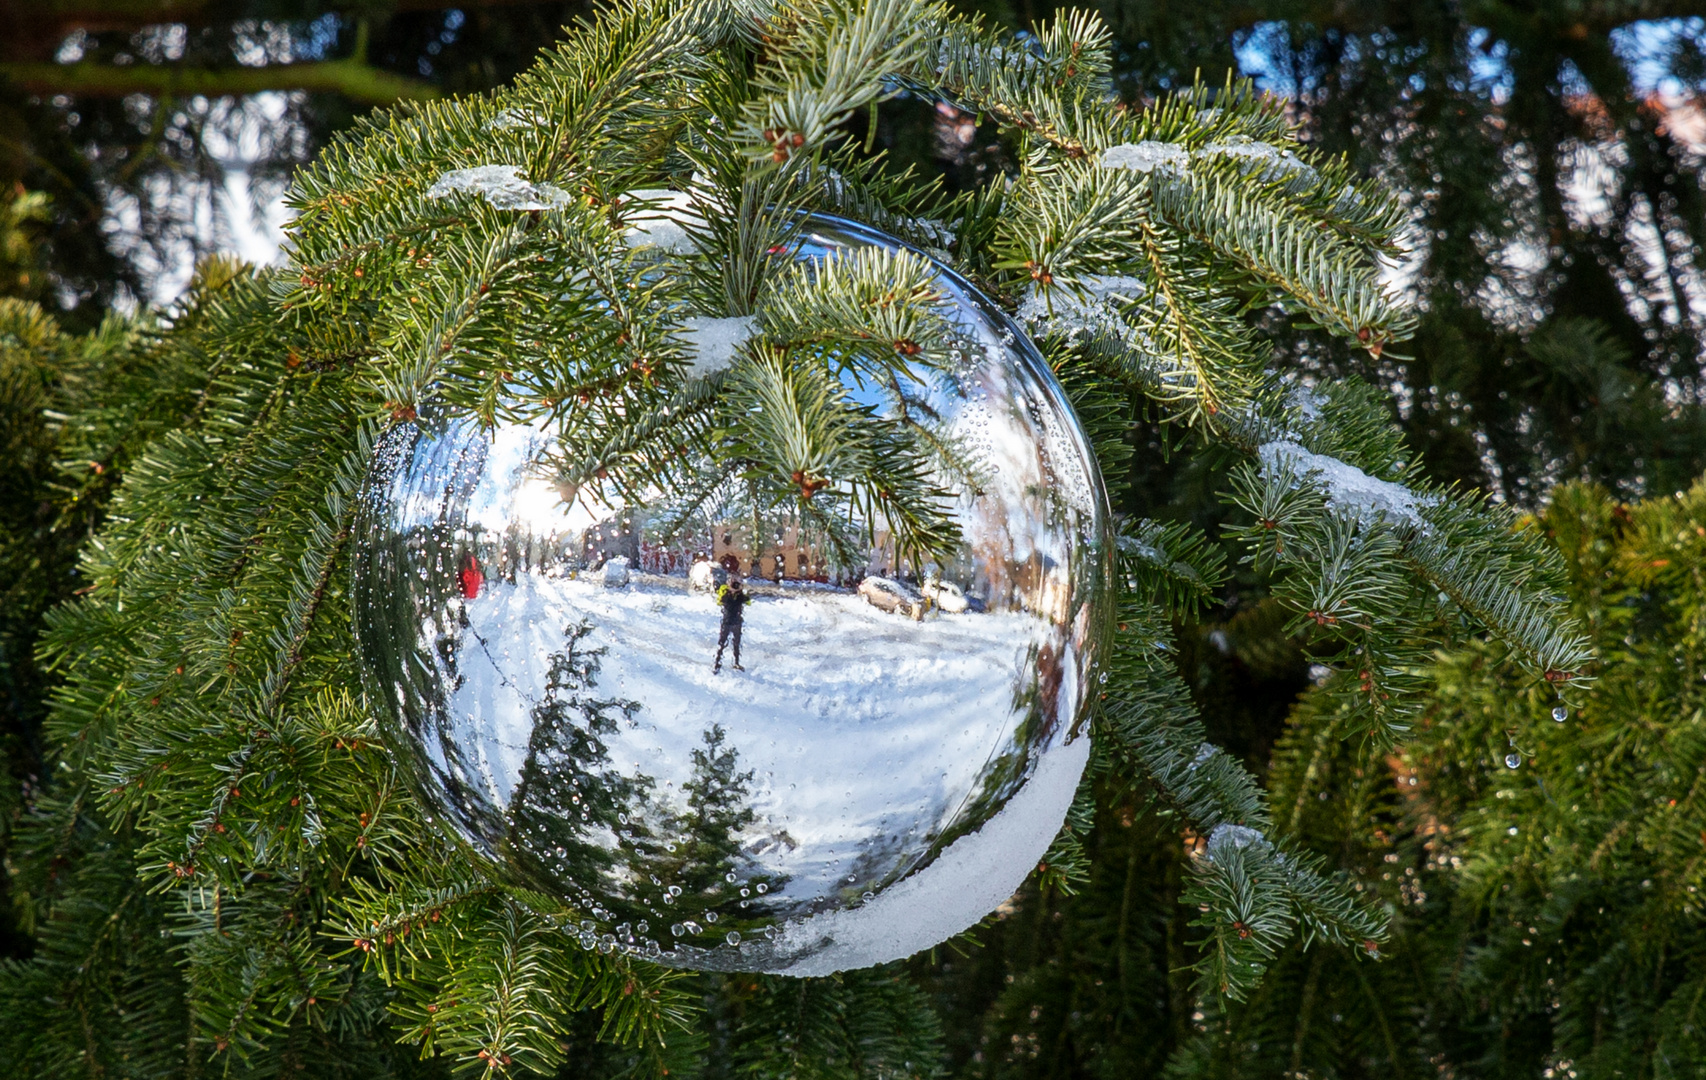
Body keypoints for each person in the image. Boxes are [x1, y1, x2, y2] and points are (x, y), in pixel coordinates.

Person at [713, 577, 751, 673]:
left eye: (736, 584)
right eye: (733, 584)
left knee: (736, 643)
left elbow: (748, 602)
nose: (735, 586)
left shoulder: (740, 595)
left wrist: (741, 591)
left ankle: (736, 662)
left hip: (737, 622)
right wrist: (728, 591)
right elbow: (719, 601)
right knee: (722, 643)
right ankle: (717, 663)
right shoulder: (725, 593)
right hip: (726, 621)